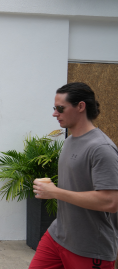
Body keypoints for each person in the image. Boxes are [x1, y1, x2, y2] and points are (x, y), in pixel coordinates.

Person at [29, 82, 118, 268]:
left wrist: (55, 192)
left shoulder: (102, 148)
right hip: (58, 236)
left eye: (60, 108)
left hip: (90, 247)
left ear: (80, 106)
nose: (55, 113)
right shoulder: (69, 141)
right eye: (55, 108)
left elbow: (110, 202)